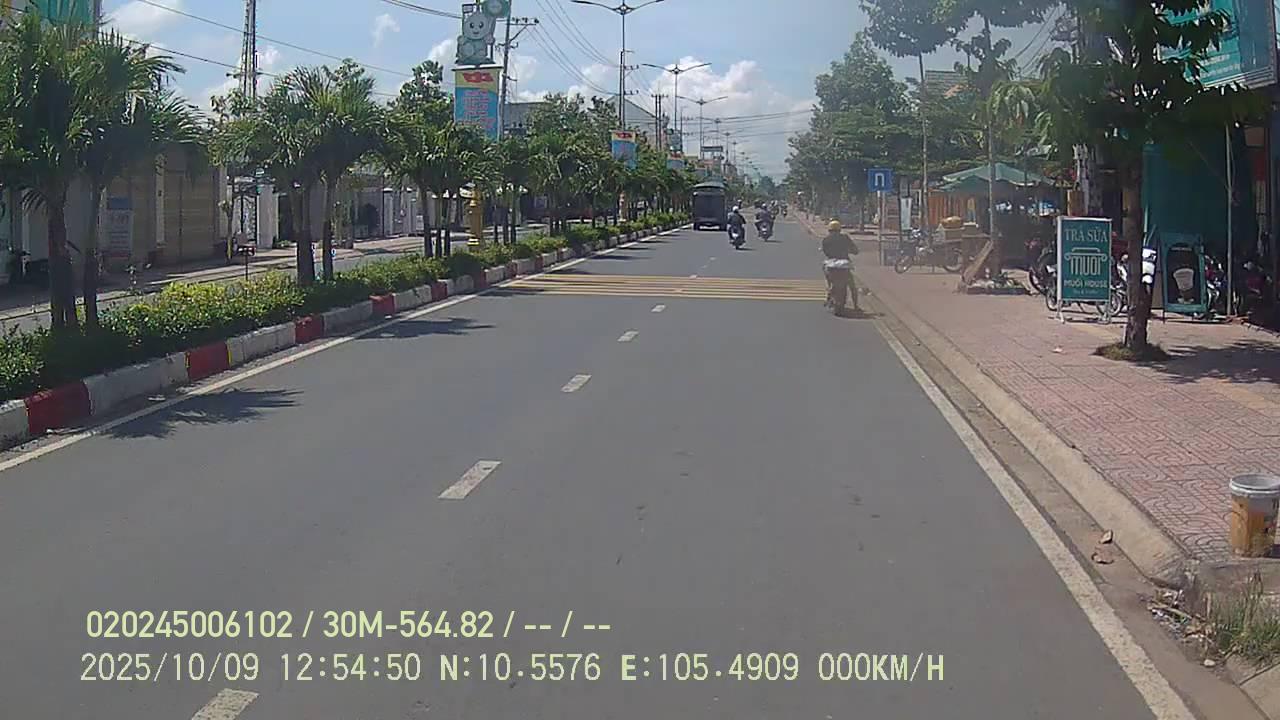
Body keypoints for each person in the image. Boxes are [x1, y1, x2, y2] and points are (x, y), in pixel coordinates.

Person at [821, 219, 859, 311]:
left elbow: (825, 252)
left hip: (831, 265)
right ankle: (856, 305)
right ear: (839, 229)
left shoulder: (826, 240)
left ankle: (828, 293)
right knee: (852, 286)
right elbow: (855, 250)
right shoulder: (845, 238)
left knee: (828, 278)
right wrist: (852, 251)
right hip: (844, 265)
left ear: (829, 230)